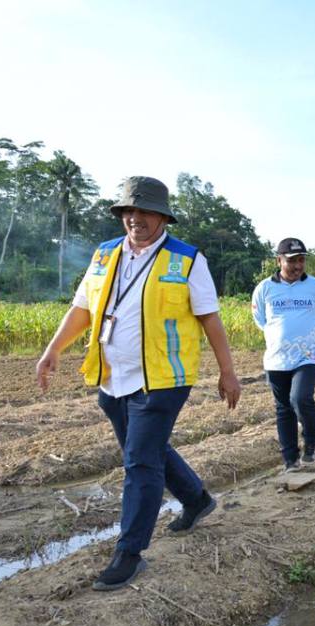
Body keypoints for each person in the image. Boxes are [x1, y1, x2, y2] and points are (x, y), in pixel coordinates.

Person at [35, 176, 241, 591]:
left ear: (163, 216)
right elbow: (82, 307)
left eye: (145, 211)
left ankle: (129, 552)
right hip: (112, 378)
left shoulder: (186, 259)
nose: (135, 218)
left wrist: (228, 371)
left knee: (140, 462)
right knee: (147, 450)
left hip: (164, 379)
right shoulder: (105, 254)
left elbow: (209, 319)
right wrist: (53, 349)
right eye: (128, 210)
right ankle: (197, 500)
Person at [251, 237, 315, 471]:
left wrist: (305, 337)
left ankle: (312, 442)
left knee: (300, 398)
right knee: (283, 408)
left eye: (301, 260)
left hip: (308, 355)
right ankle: (290, 460)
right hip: (276, 359)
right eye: (291, 261)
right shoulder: (264, 288)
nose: (297, 266)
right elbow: (261, 321)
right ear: (279, 260)